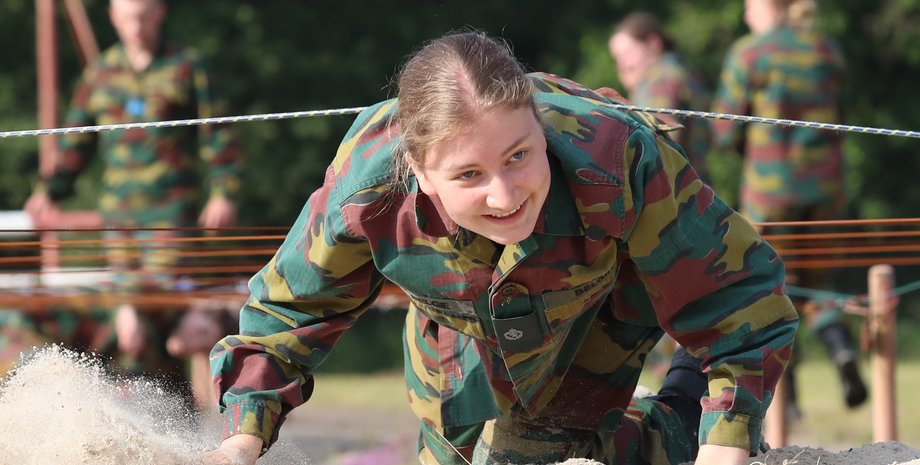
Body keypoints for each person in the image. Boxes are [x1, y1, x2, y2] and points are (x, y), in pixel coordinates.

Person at [205, 31, 798, 465]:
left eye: (519, 156)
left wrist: (724, 440)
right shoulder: (368, 194)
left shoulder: (615, 156)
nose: (505, 194)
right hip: (456, 320)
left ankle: (683, 405)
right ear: (421, 173)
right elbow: (287, 317)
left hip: (597, 299)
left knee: (545, 455)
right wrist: (241, 442)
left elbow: (742, 300)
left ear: (539, 126)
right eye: (469, 175)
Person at [21, 0, 242, 386]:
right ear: (113, 17)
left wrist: (225, 191)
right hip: (119, 220)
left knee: (154, 309)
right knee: (128, 319)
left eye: (143, 17)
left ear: (159, 13)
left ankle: (166, 406)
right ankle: (147, 405)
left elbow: (218, 133)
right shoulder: (101, 72)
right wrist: (50, 189)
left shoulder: (186, 66)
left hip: (170, 216)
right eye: (127, 19)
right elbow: (76, 139)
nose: (135, 28)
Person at [710, 0, 866, 417]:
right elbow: (845, 117)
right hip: (826, 191)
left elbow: (723, 130)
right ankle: (842, 352)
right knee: (818, 281)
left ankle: (787, 401)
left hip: (770, 193)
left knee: (773, 287)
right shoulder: (826, 50)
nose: (746, 14)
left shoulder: (750, 52)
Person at [608, 11, 712, 183]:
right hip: (695, 187)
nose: (621, 64)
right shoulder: (680, 72)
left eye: (627, 52)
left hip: (672, 191)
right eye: (617, 57)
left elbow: (659, 145)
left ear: (653, 44)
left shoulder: (661, 80)